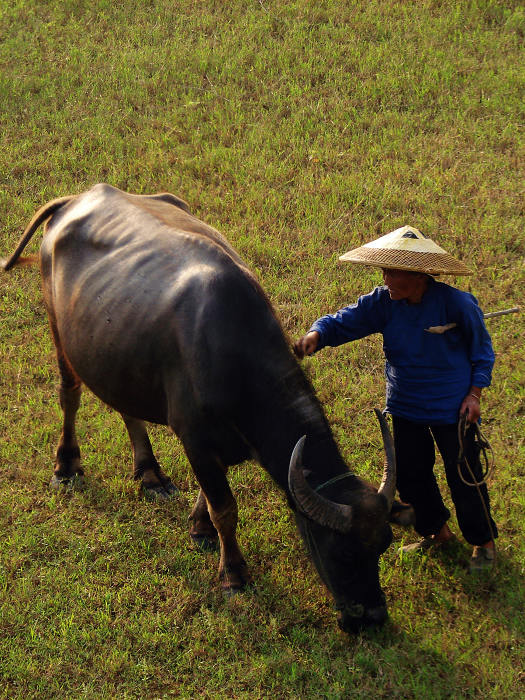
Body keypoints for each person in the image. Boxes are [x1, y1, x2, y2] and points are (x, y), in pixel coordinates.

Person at [294, 225, 497, 571]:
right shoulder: (383, 303)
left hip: (453, 408)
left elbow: (483, 353)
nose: (386, 278)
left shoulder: (457, 304)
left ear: (417, 274)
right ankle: (436, 533)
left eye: (392, 271)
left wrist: (474, 395)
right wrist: (318, 334)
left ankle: (483, 542)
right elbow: (344, 321)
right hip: (406, 406)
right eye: (383, 271)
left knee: (464, 473)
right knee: (413, 475)